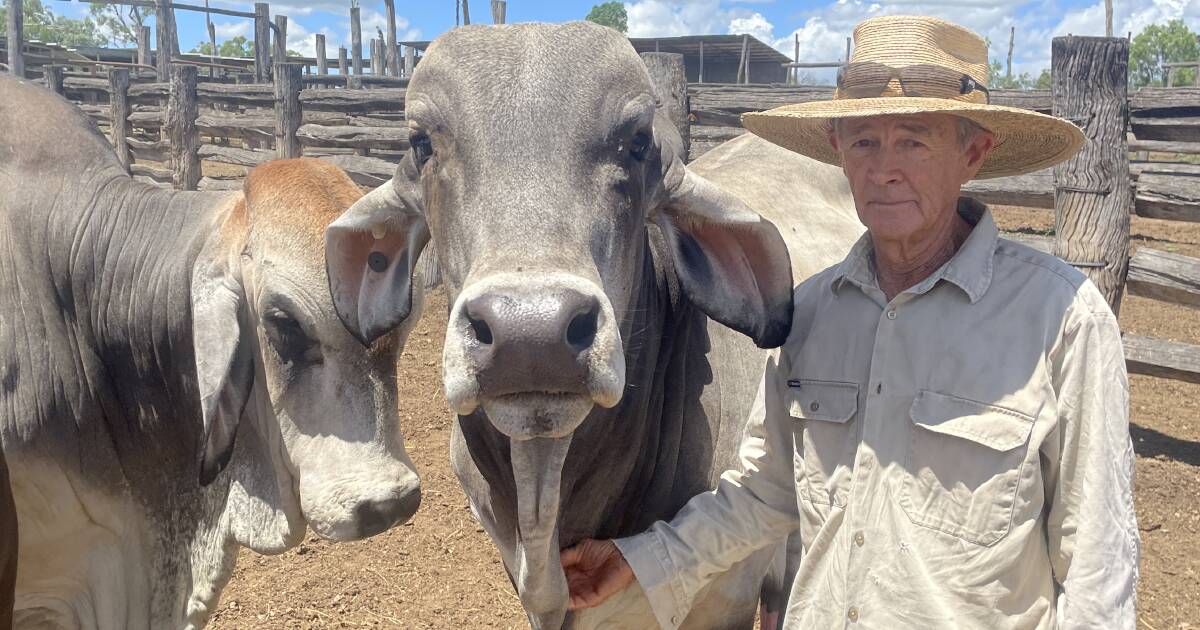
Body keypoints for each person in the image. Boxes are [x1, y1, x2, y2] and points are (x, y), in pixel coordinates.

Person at [561, 15, 1139, 629]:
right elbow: (762, 494)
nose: (884, 168)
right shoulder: (811, 315)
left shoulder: (1062, 322)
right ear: (837, 150)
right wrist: (639, 560)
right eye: (864, 140)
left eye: (914, 140)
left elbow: (1097, 566)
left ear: (973, 153)